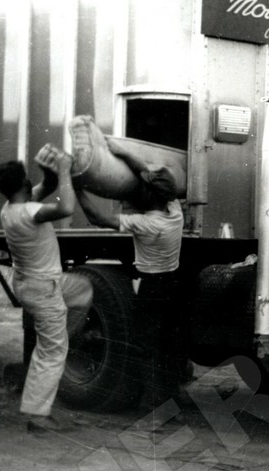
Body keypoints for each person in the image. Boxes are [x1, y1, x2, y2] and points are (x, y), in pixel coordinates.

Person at [73, 127, 185, 408]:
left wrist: (78, 188)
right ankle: (169, 396)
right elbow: (147, 173)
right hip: (172, 282)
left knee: (142, 344)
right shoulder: (174, 211)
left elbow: (97, 217)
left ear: (148, 195)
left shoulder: (147, 224)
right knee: (166, 342)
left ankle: (153, 404)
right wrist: (122, 151)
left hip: (153, 286)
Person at [0, 146, 92, 432]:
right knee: (51, 352)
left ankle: (59, 337)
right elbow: (64, 207)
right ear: (24, 185)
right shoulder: (31, 212)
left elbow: (45, 188)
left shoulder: (10, 209)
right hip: (44, 288)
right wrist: (63, 170)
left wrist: (49, 173)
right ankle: (38, 417)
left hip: (29, 284)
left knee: (83, 289)